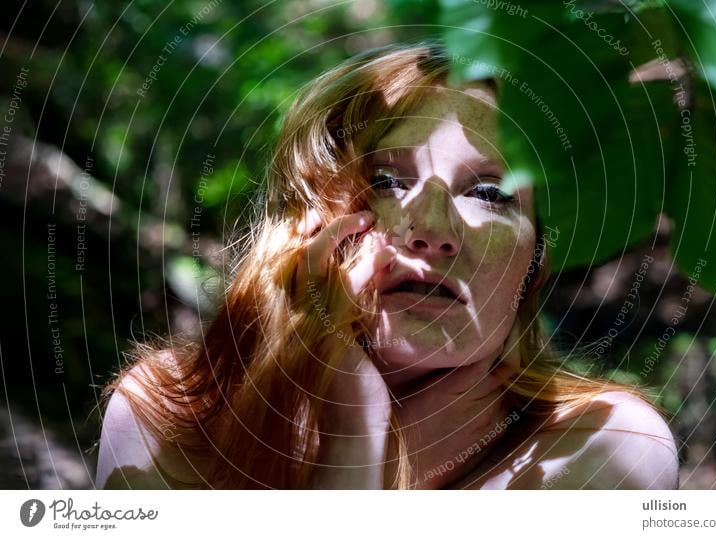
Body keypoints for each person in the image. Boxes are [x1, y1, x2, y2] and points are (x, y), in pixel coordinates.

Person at [95, 42, 679, 490]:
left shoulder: (603, 447)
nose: (430, 231)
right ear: (307, 224)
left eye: (491, 194)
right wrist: (350, 418)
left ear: (536, 265)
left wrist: (355, 438)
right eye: (387, 181)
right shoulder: (170, 419)